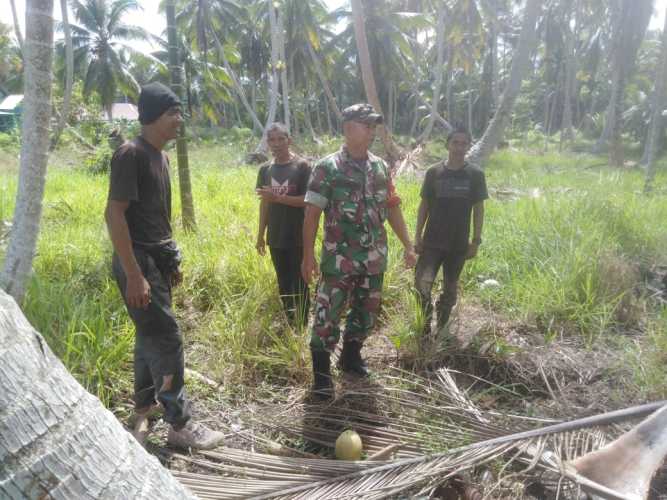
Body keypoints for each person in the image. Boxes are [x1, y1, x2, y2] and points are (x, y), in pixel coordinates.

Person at [105, 82, 224, 449]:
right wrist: (136, 274)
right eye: (174, 113)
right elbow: (114, 215)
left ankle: (144, 407)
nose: (179, 120)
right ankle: (180, 425)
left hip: (155, 260)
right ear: (155, 115)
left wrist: (169, 261)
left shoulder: (162, 157)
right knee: (167, 336)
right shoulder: (131, 154)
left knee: (149, 335)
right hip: (137, 262)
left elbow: (158, 219)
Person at [302, 103, 417, 400]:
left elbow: (391, 208)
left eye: (373, 126)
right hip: (339, 258)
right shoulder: (327, 167)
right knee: (328, 314)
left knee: (366, 312)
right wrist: (307, 256)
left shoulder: (380, 166)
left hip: (373, 257)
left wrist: (408, 244)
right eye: (365, 125)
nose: (371, 131)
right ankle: (322, 376)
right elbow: (312, 214)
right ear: (348, 127)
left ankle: (351, 358)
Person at [414, 126, 488, 340]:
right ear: (447, 144)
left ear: (468, 146)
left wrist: (475, 241)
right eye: (455, 142)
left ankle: (442, 329)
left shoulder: (475, 175)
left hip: (458, 245)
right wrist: (417, 236)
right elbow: (424, 206)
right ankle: (424, 327)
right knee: (421, 285)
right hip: (432, 243)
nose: (459, 147)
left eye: (464, 143)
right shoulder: (433, 172)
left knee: (450, 288)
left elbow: (479, 209)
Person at [255, 123, 311, 327]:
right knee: (283, 281)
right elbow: (265, 204)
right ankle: (290, 321)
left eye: (281, 139)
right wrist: (261, 234)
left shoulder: (302, 166)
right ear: (267, 142)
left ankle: (303, 324)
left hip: (298, 234)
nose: (276, 144)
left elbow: (308, 200)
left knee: (301, 280)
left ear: (289, 140)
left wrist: (277, 198)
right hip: (276, 236)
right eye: (272, 140)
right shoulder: (265, 170)